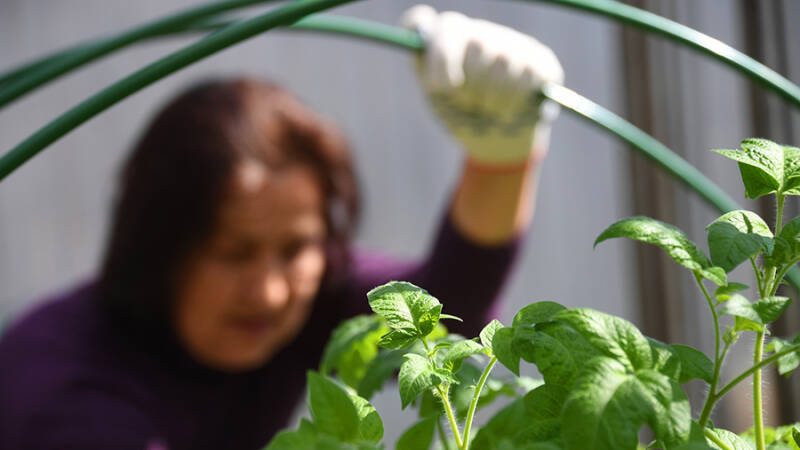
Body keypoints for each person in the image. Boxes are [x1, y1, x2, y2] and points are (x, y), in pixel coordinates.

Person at [0, 5, 563, 450]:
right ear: (157, 248)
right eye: (232, 252)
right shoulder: (71, 396)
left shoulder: (303, 302)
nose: (269, 291)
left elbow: (439, 312)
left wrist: (502, 157)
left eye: (296, 248)